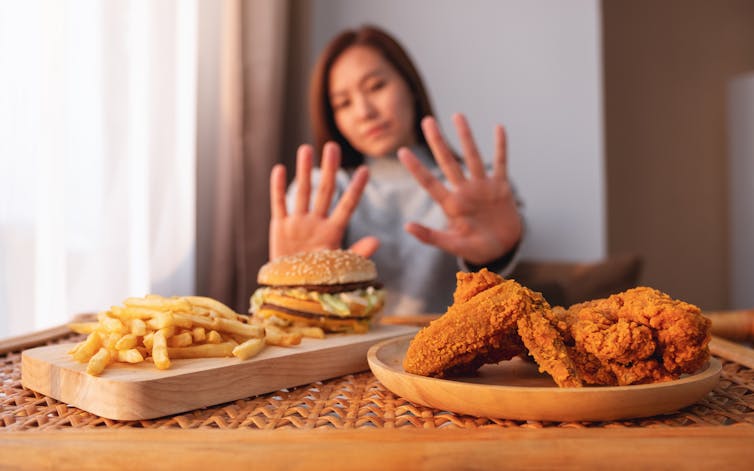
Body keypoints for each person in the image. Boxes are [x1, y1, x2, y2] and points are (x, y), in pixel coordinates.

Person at [268, 25, 523, 315]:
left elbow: (497, 302)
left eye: (376, 86)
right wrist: (295, 280)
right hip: (345, 357)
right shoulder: (318, 193)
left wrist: (498, 255)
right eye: (343, 103)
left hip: (454, 354)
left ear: (410, 87)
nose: (364, 111)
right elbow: (291, 315)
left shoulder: (477, 190)